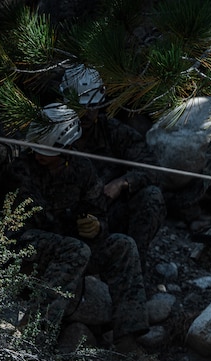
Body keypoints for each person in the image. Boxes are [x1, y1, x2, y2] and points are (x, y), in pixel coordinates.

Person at [0, 103, 166, 361]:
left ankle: (126, 346)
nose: (41, 156)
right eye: (38, 149)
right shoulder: (14, 160)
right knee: (75, 250)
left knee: (122, 246)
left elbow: (98, 214)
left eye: (48, 152)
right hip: (18, 246)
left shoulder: (82, 170)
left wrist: (96, 227)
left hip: (68, 254)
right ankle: (30, 342)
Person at [59, 65, 167, 258]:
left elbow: (152, 169)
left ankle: (134, 265)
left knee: (151, 196)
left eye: (91, 106)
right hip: (64, 219)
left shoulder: (113, 132)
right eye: (79, 107)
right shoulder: (53, 134)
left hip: (108, 216)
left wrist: (123, 182)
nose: (85, 113)